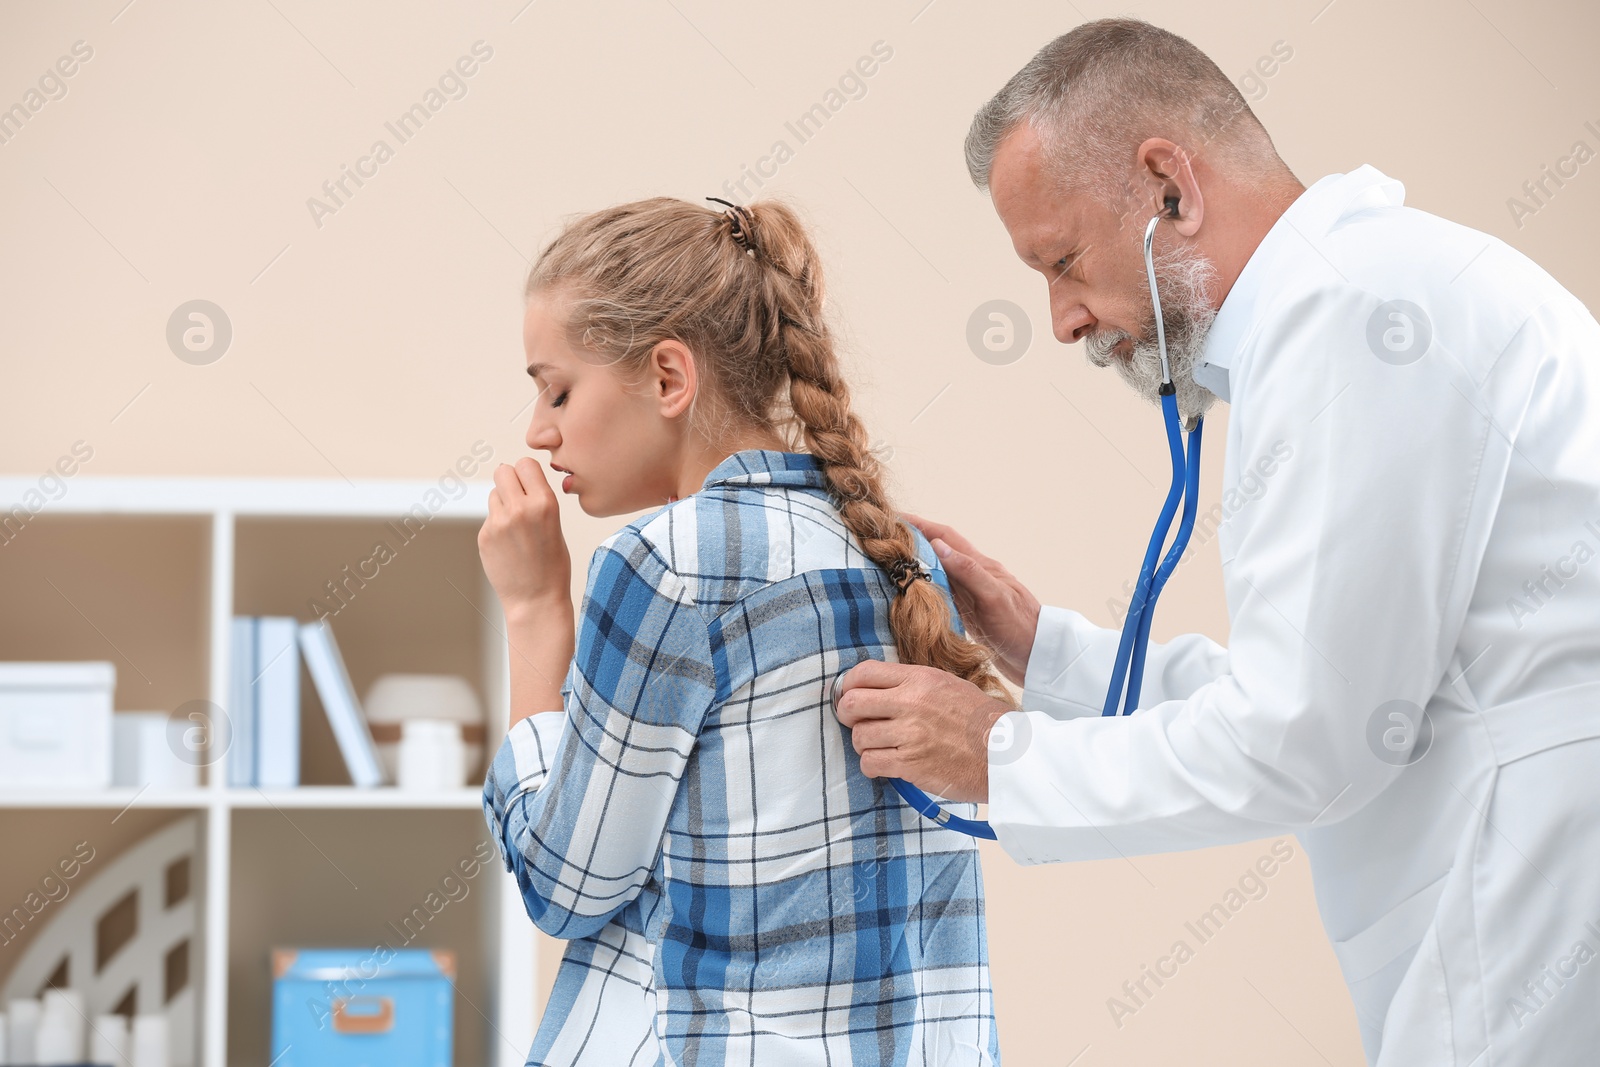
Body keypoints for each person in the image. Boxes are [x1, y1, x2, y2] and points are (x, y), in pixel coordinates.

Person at [833, 17, 1600, 1066]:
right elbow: (1329, 697)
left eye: (1061, 261)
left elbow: (1307, 738)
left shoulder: (1356, 318)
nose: (1060, 319)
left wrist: (996, 755)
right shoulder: (1354, 300)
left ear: (1168, 189)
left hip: (1544, 896)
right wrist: (1041, 647)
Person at [476, 196, 1010, 1065]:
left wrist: (535, 610)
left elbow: (564, 883)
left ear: (667, 378)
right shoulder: (897, 550)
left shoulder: (665, 564)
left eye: (557, 389)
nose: (541, 434)